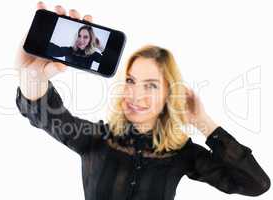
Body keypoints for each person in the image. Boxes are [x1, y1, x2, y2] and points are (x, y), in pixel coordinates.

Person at [15, 2, 271, 200]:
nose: (136, 94)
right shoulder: (95, 138)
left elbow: (256, 185)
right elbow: (47, 114)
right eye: (130, 81)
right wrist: (32, 75)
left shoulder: (182, 154)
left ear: (169, 95)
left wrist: (204, 123)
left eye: (151, 85)